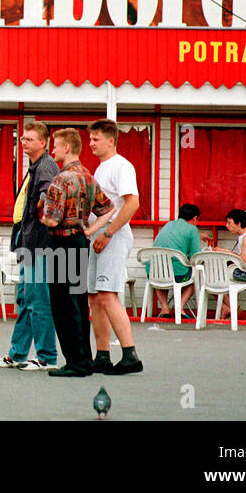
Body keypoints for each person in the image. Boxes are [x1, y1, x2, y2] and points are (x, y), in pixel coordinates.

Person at [39, 127, 113, 378]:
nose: (53, 150)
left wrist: (41, 209)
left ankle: (74, 362)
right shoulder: (88, 176)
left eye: (56, 146)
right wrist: (89, 230)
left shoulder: (60, 180)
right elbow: (108, 209)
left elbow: (51, 219)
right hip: (80, 241)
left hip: (61, 243)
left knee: (62, 304)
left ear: (67, 148)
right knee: (79, 303)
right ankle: (85, 357)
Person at [0, 122, 60, 370]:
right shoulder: (36, 166)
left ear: (44, 142)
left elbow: (48, 196)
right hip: (29, 241)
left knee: (38, 299)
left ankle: (47, 356)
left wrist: (40, 212)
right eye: (23, 139)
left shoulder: (45, 166)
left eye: (30, 139)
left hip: (40, 244)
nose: (24, 143)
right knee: (25, 298)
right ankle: (18, 352)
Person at [84, 118, 143, 375]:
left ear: (111, 140)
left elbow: (132, 204)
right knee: (95, 297)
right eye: (90, 139)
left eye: (96, 139)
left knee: (108, 295)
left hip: (113, 236)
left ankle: (130, 354)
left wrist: (107, 232)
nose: (91, 144)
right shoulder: (100, 169)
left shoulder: (122, 166)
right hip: (99, 236)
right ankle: (102, 355)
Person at [148, 203, 205, 319]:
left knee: (161, 279)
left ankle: (165, 309)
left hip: (153, 272)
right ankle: (179, 308)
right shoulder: (193, 229)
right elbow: (196, 257)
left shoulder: (169, 224)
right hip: (177, 275)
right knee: (195, 278)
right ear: (195, 218)